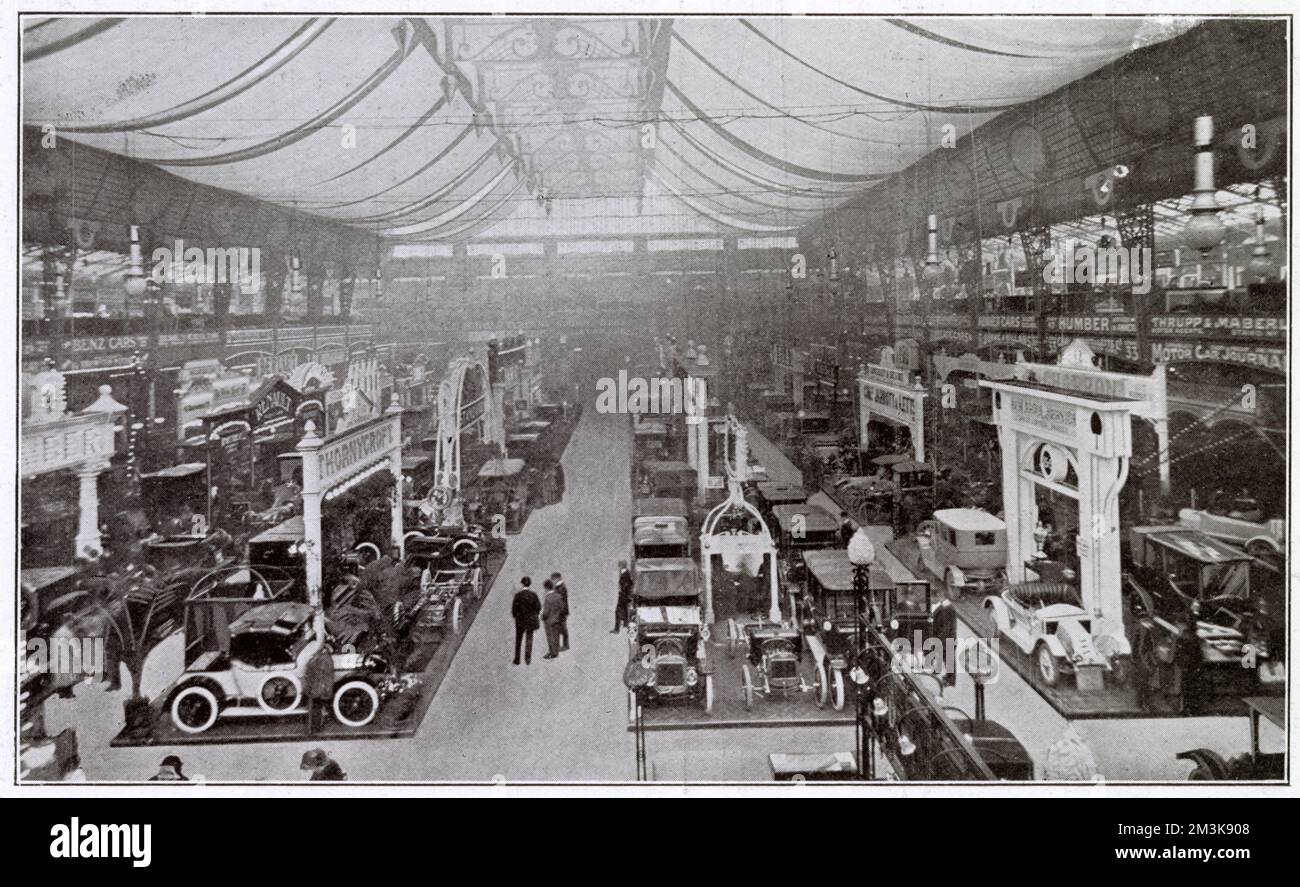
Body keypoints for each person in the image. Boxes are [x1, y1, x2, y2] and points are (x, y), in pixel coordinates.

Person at [1173, 606, 1206, 717]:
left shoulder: (1183, 637)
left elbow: (1179, 653)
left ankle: (1187, 709)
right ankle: (1194, 709)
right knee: (1194, 688)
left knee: (1187, 688)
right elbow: (1198, 653)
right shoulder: (1192, 636)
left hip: (1187, 667)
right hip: (1194, 666)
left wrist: (1181, 663)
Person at [304, 643, 335, 733]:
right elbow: (329, 676)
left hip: (314, 688)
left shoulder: (315, 658)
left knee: (313, 709)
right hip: (320, 688)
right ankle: (315, 728)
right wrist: (327, 689)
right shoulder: (327, 659)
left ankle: (312, 729)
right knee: (318, 709)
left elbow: (309, 673)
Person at [511, 576, 541, 665]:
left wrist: (515, 616)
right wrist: (534, 614)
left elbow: (514, 609)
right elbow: (538, 607)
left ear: (522, 584)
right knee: (529, 639)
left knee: (518, 640)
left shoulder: (518, 595)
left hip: (520, 621)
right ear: (529, 584)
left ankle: (517, 659)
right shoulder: (533, 595)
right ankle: (527, 659)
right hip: (530, 621)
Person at [930, 598, 959, 688]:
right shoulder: (944, 607)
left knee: (949, 660)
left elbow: (946, 628)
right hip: (946, 639)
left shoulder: (947, 609)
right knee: (943, 656)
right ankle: (944, 674)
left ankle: (951, 680)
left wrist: (938, 639)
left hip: (948, 640)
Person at [541, 580, 567, 660]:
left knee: (550, 636)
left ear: (546, 588)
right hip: (557, 619)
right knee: (556, 635)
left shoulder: (547, 598)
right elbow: (562, 607)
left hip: (549, 621)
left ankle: (552, 652)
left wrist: (542, 616)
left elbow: (546, 612)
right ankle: (556, 651)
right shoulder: (558, 596)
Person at [551, 572, 571, 651]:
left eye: (553, 579)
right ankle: (563, 645)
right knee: (560, 628)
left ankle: (565, 645)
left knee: (562, 628)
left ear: (557, 578)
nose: (553, 581)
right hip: (562, 611)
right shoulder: (559, 587)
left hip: (561, 611)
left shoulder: (561, 587)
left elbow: (561, 601)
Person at [613, 561, 634, 633]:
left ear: (621, 566)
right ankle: (624, 624)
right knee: (624, 611)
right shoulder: (625, 573)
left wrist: (622, 591)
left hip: (624, 596)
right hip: (625, 595)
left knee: (618, 611)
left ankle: (617, 629)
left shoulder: (625, 574)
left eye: (619, 566)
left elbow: (627, 585)